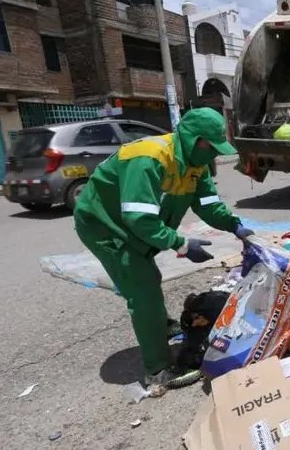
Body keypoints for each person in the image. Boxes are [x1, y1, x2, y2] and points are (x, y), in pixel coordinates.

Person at [73, 107, 253, 395]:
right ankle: (157, 369)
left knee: (147, 275)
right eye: (212, 147)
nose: (215, 155)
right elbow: (139, 219)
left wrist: (237, 227)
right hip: (105, 225)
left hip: (137, 227)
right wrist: (181, 244)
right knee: (143, 288)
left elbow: (208, 206)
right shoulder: (148, 158)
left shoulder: (196, 166)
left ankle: (158, 324)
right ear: (194, 140)